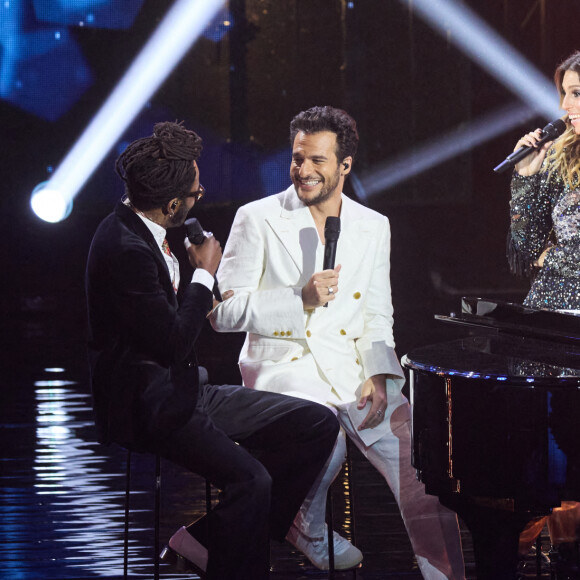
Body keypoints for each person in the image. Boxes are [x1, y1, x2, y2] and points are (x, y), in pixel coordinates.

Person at [209, 106, 466, 578]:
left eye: (317, 161)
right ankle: (301, 524)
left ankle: (446, 576)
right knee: (323, 437)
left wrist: (379, 372)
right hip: (286, 366)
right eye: (297, 159)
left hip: (353, 371)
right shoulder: (257, 217)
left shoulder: (373, 225)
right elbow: (222, 314)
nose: (304, 170)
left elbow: (376, 313)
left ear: (345, 165)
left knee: (425, 471)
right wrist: (298, 299)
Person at [85, 121, 339, 580]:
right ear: (172, 203)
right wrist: (204, 274)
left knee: (317, 424)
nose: (201, 197)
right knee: (253, 480)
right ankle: (236, 561)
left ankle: (207, 542)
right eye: (196, 195)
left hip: (184, 389)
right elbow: (174, 340)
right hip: (149, 406)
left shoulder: (143, 227)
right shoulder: (123, 248)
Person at [508, 51, 580, 574]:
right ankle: (565, 550)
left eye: (578, 93)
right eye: (565, 93)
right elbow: (520, 254)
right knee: (561, 452)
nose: (567, 106)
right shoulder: (558, 159)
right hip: (554, 321)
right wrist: (526, 177)